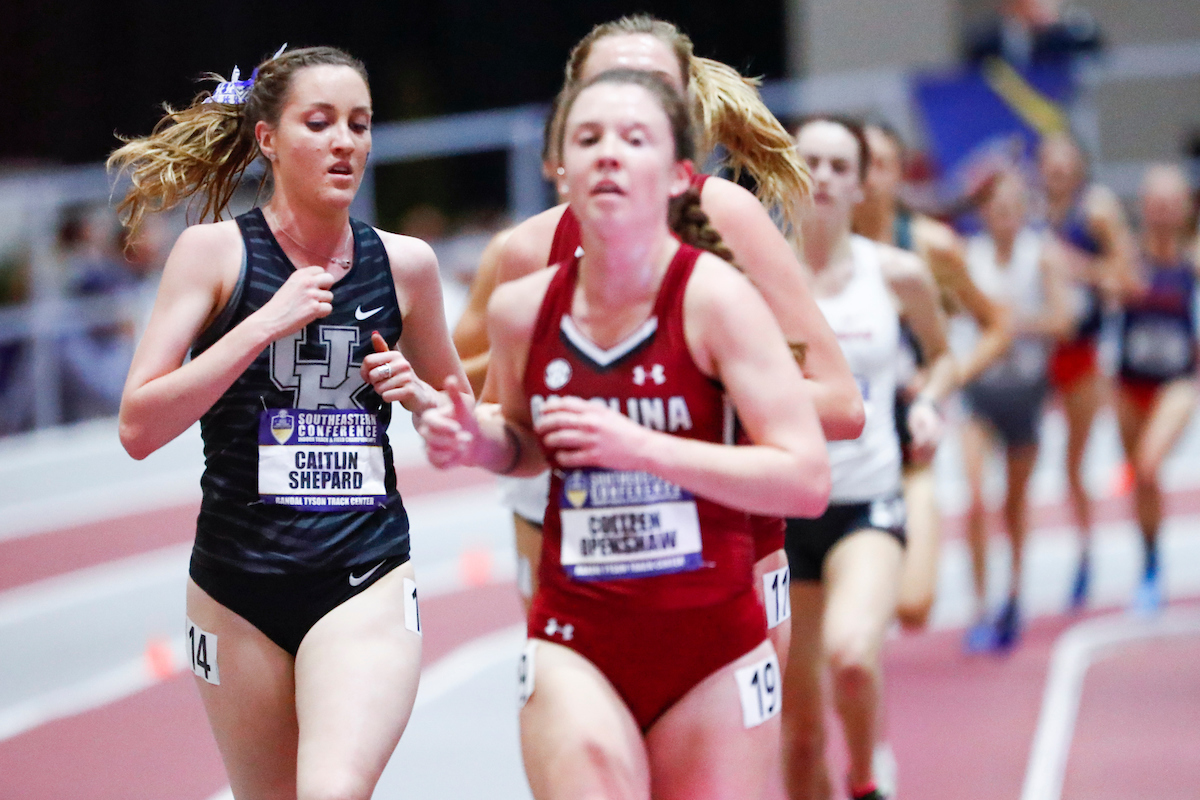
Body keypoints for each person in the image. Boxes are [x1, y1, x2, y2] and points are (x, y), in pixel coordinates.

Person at [423, 69, 831, 800]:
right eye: (588, 139)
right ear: (559, 168)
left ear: (679, 175)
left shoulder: (720, 300)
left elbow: (805, 479)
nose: (608, 154)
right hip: (577, 634)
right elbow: (524, 441)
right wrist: (476, 441)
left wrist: (640, 447)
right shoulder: (522, 308)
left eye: (633, 138)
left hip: (713, 643)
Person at [109, 46, 466, 800]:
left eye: (360, 125)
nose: (346, 141)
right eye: (320, 122)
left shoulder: (405, 266)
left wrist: (422, 401)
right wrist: (259, 326)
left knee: (332, 791)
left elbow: (463, 424)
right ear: (268, 138)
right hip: (235, 589)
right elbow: (138, 426)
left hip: (362, 573)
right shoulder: (212, 255)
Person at [452, 13, 862, 658]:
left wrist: (674, 411)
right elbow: (513, 427)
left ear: (682, 125)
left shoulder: (727, 216)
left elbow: (841, 405)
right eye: (608, 88)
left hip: (731, 560)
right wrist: (468, 430)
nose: (626, 108)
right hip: (585, 560)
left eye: (650, 91)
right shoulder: (528, 250)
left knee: (772, 749)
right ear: (568, 125)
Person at [781, 117, 956, 800]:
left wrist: (927, 403)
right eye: (810, 162)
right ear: (789, 173)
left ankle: (864, 780)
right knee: (796, 740)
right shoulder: (751, 273)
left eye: (837, 165)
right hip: (782, 512)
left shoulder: (899, 274)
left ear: (862, 184)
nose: (822, 176)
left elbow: (942, 358)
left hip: (868, 503)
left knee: (852, 656)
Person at [852, 123, 1011, 631]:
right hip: (842, 453)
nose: (870, 178)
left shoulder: (930, 246)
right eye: (862, 164)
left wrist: (946, 377)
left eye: (882, 165)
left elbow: (998, 325)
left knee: (914, 606)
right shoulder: (815, 248)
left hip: (909, 449)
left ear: (901, 174)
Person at [955, 170, 1073, 651]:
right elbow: (956, 315)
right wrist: (987, 329)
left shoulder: (1040, 255)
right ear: (984, 214)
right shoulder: (968, 257)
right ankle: (980, 606)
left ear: (1023, 211)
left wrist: (1012, 325)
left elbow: (1064, 320)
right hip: (980, 391)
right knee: (977, 497)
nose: (1004, 217)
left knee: (1016, 503)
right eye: (995, 209)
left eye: (1012, 209)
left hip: (1025, 390)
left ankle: (1015, 596)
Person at [1037, 131, 1136, 610]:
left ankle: (1086, 555)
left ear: (1077, 165)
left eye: (1063, 163)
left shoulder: (1094, 208)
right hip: (1040, 351)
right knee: (1022, 461)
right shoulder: (1035, 213)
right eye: (1048, 163)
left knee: (1073, 464)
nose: (1056, 171)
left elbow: (1128, 275)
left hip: (1085, 351)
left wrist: (1074, 266)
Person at [1113, 164, 1199, 614]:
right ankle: (1150, 565)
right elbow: (1100, 290)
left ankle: (1151, 568)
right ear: (1144, 207)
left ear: (1186, 208)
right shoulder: (1128, 256)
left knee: (1146, 465)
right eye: (1155, 202)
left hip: (1176, 385)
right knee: (1142, 481)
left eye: (1171, 202)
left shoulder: (1194, 260)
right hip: (1129, 385)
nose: (1163, 211)